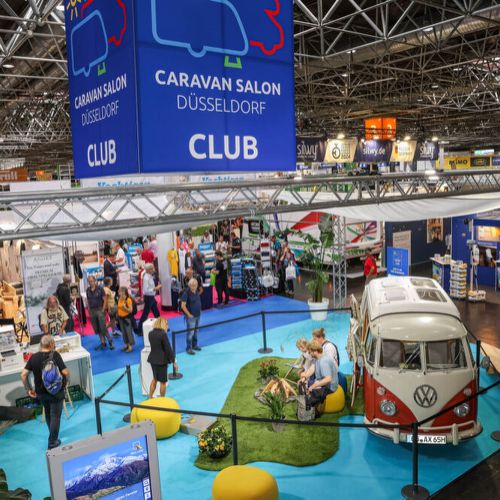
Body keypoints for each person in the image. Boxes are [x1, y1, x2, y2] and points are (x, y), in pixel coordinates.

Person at [21, 335, 70, 449]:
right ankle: (52, 442)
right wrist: (67, 382)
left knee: (48, 414)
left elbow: (23, 375)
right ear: (51, 344)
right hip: (56, 391)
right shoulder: (55, 355)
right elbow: (65, 372)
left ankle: (53, 436)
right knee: (55, 416)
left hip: (41, 393)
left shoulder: (33, 357)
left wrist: (28, 389)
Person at [302, 342, 338, 410]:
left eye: (310, 352)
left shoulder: (324, 361)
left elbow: (328, 379)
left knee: (310, 398)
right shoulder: (317, 358)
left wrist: (314, 386)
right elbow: (312, 368)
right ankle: (310, 403)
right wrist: (305, 377)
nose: (309, 354)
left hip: (329, 387)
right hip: (321, 381)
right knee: (306, 385)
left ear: (315, 351)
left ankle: (312, 408)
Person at [147, 317, 177, 398]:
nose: (167, 326)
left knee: (155, 379)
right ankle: (162, 400)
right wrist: (174, 361)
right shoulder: (163, 334)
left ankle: (150, 397)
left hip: (152, 360)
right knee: (163, 382)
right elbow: (168, 349)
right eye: (167, 324)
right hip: (161, 361)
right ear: (163, 324)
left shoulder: (150, 333)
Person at [86, 276, 114, 350]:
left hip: (100, 309)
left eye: (92, 281)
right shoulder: (88, 290)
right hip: (92, 311)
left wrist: (103, 309)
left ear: (95, 281)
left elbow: (105, 299)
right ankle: (103, 343)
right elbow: (88, 300)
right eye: (89, 281)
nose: (90, 283)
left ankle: (110, 341)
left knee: (103, 327)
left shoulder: (100, 288)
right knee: (97, 328)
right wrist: (89, 309)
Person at [181, 278, 202, 355]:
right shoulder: (186, 293)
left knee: (196, 331)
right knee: (190, 333)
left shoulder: (196, 291)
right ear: (189, 285)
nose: (194, 286)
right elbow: (183, 306)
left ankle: (194, 345)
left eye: (195, 285)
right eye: (192, 285)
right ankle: (188, 348)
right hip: (191, 317)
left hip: (198, 315)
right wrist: (189, 314)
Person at [138, 263, 161, 335]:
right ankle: (139, 330)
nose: (154, 269)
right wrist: (155, 288)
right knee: (145, 314)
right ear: (149, 270)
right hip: (149, 297)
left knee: (156, 312)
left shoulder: (149, 276)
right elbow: (145, 290)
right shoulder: (146, 278)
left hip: (151, 297)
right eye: (152, 268)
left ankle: (161, 326)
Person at [117, 286, 135, 352]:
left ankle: (130, 346)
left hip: (127, 319)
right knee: (123, 332)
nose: (118, 292)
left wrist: (125, 308)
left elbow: (130, 310)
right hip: (120, 318)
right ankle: (126, 344)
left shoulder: (128, 300)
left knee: (128, 332)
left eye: (119, 291)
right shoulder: (120, 299)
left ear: (123, 292)